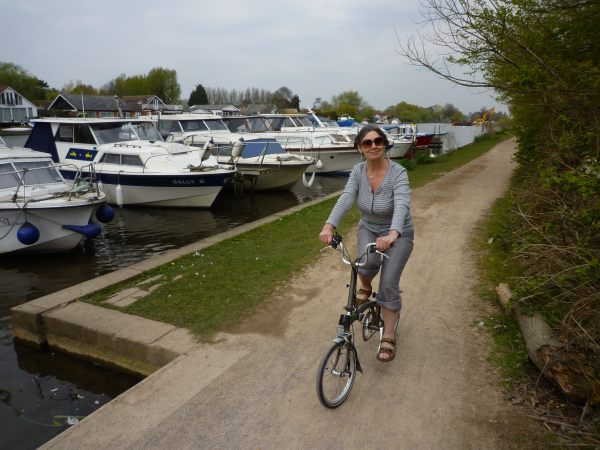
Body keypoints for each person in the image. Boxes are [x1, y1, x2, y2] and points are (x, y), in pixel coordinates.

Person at [319, 124, 414, 362]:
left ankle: (388, 336)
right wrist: (329, 225)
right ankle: (365, 286)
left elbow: (402, 204)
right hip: (369, 228)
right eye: (367, 142)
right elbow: (347, 197)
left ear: (384, 144)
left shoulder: (398, 173)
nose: (373, 146)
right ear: (360, 148)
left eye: (378, 141)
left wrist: (393, 233)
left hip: (398, 234)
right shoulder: (358, 171)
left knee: (389, 282)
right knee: (363, 264)